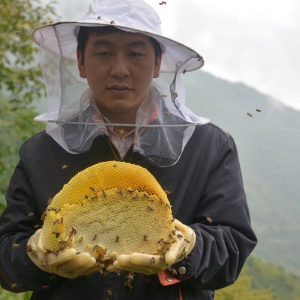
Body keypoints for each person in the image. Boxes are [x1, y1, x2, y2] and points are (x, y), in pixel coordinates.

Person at [0, 0, 257, 299]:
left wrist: (187, 248)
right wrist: (36, 255)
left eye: (135, 53)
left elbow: (233, 249)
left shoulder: (208, 146)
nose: (120, 69)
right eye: (104, 52)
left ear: (158, 62)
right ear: (81, 62)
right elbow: (7, 257)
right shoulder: (40, 151)